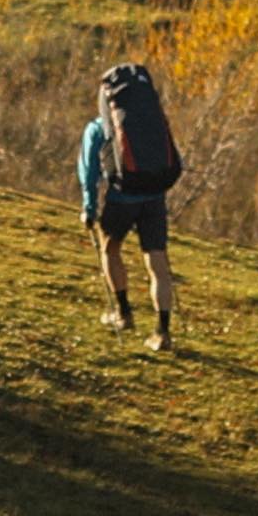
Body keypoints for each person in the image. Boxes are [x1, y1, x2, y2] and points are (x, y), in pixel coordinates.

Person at [78, 63, 179, 355]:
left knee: (110, 251)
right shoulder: (153, 123)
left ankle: (122, 314)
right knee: (157, 264)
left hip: (121, 199)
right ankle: (163, 332)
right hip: (154, 198)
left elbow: (88, 172)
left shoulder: (98, 127)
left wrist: (89, 207)